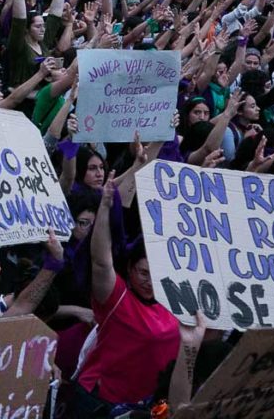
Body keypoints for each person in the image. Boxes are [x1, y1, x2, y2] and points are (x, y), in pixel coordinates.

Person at [73, 178, 179, 415]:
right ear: (130, 269)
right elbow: (101, 261)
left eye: (156, 274)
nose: (149, 281)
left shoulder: (174, 299)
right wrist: (104, 208)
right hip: (102, 403)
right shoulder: (117, 298)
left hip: (147, 405)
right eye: (143, 272)